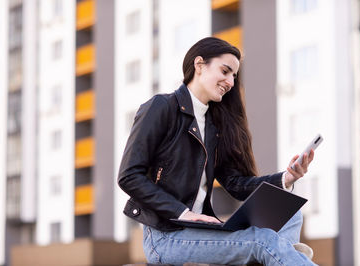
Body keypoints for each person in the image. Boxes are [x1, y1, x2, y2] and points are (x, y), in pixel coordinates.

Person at [118, 37, 317, 265]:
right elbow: (129, 176)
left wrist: (286, 178)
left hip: (202, 229)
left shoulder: (213, 127)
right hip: (166, 236)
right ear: (199, 65)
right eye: (225, 71)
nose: (230, 82)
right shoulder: (161, 108)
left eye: (234, 76)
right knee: (263, 241)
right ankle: (288, 255)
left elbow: (235, 184)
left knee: (290, 214)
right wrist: (183, 213)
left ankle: (285, 255)